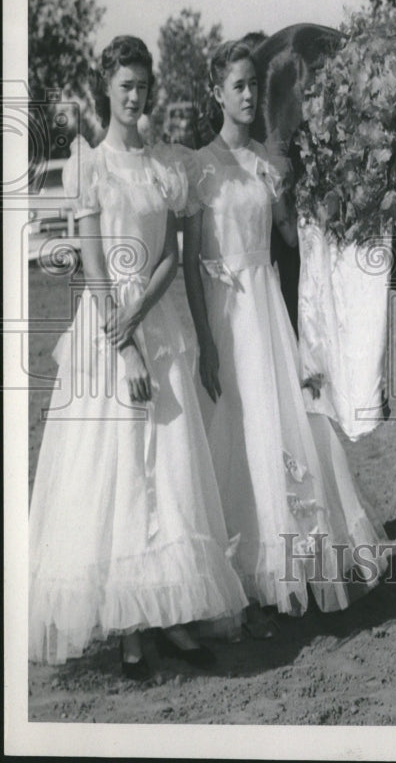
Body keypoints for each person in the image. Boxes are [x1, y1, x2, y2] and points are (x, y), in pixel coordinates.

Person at [29, 36, 248, 677]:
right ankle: (129, 628)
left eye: (143, 86)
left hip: (159, 320)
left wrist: (143, 315)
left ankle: (170, 616)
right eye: (125, 86)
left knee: (172, 471)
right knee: (122, 472)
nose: (135, 97)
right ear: (105, 88)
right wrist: (121, 341)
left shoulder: (163, 168)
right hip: (108, 328)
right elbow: (93, 261)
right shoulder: (89, 165)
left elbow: (172, 257)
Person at [180, 40, 387, 636]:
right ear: (216, 92)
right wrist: (207, 341)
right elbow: (193, 262)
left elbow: (294, 244)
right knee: (234, 436)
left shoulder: (268, 166)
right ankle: (237, 582)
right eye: (237, 86)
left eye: (253, 86)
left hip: (267, 311)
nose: (248, 96)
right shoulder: (199, 168)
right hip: (223, 314)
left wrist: (340, 197)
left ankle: (285, 577)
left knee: (280, 431)